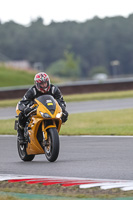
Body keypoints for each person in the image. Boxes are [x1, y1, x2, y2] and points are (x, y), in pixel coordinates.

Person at [17, 72, 68, 143]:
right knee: (22, 115)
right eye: (41, 84)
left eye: (45, 83)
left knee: (65, 114)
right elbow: (22, 102)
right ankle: (21, 133)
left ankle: (53, 132)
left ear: (48, 82)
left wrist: (62, 108)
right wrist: (26, 109)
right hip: (35, 109)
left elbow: (61, 100)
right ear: (37, 84)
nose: (44, 85)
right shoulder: (32, 91)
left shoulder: (54, 89)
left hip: (49, 109)